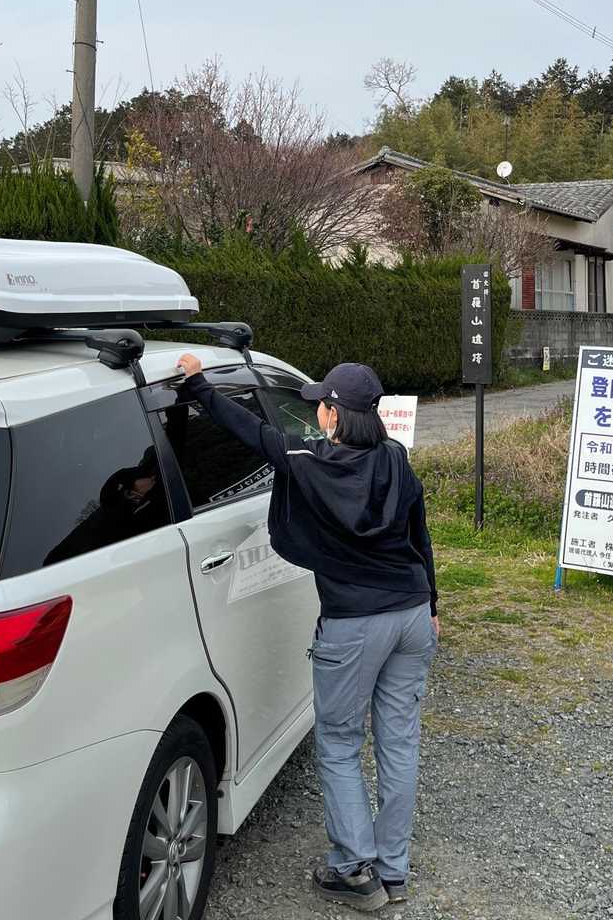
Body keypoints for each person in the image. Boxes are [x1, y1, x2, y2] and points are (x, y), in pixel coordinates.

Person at [176, 355, 439, 912]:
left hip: (354, 624)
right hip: (414, 614)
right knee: (399, 743)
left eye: (322, 404)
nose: (317, 411)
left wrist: (198, 383)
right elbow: (420, 534)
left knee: (340, 744)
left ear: (335, 415)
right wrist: (432, 602)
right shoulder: (396, 458)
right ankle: (393, 870)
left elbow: (251, 432)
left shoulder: (311, 461)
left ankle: (353, 869)